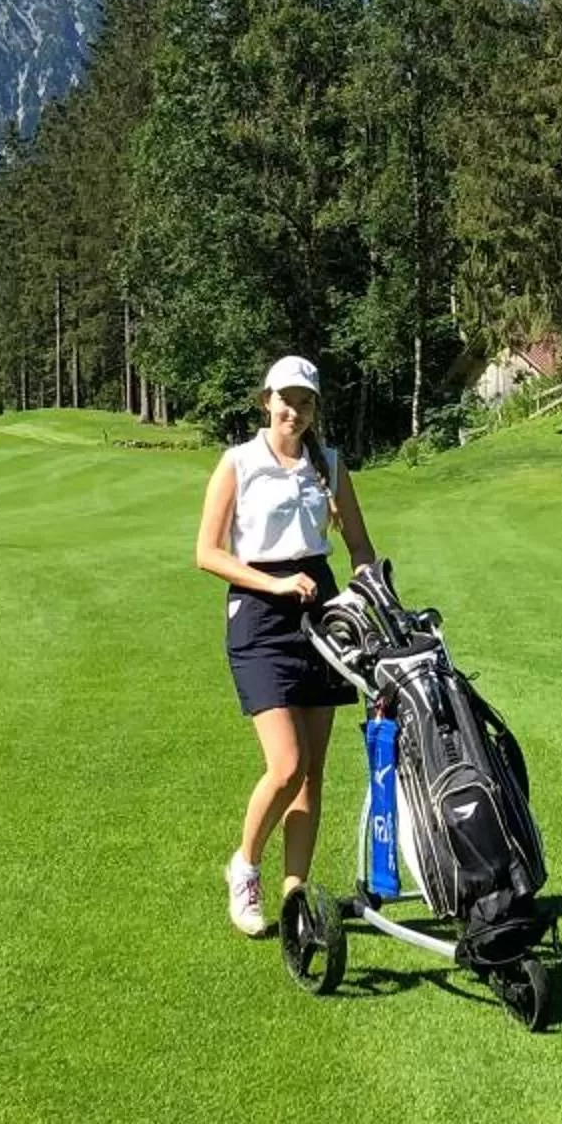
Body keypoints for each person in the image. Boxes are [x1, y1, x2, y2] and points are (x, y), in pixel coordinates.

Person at [193, 353, 378, 937]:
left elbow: (359, 547)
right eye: (284, 399)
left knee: (313, 772)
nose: (292, 411)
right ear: (265, 399)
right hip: (259, 614)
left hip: (319, 612)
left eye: (304, 402)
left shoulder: (329, 464)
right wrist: (274, 583)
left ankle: (297, 897)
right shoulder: (239, 462)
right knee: (287, 764)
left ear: (315, 407)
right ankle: (244, 866)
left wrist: (367, 599)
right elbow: (208, 552)